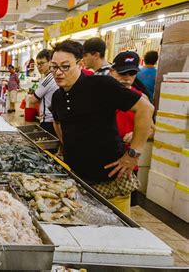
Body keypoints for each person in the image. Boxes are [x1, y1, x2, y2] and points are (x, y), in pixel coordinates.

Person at [50, 40, 154, 216]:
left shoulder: (101, 85)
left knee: (117, 237)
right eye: (54, 67)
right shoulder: (57, 96)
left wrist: (133, 154)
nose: (58, 73)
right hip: (79, 181)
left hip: (112, 182)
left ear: (80, 63)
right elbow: (58, 123)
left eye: (65, 67)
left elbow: (145, 109)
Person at [110, 51, 151, 206]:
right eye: (122, 73)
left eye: (132, 74)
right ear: (112, 71)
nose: (126, 78)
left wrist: (136, 135)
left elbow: (152, 128)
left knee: (124, 206)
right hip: (103, 160)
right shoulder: (101, 95)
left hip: (127, 162)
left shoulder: (142, 100)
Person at [25, 49, 59, 136]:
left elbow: (32, 100)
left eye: (42, 63)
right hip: (54, 119)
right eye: (37, 64)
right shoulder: (53, 77)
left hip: (48, 121)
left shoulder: (48, 79)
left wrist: (29, 97)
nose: (39, 66)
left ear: (50, 62)